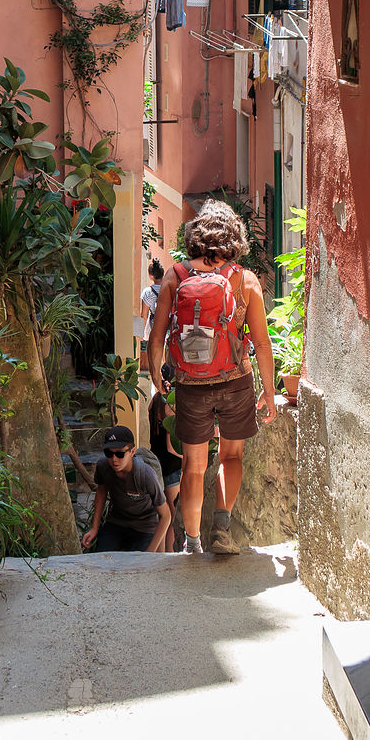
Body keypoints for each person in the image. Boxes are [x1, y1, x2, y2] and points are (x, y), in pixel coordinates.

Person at [147, 200, 276, 556]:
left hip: (191, 383)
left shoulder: (176, 274)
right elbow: (262, 345)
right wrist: (268, 391)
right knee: (231, 457)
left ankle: (192, 543)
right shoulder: (245, 279)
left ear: (196, 235)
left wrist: (158, 376)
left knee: (192, 466)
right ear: (234, 236)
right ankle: (221, 528)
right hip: (235, 380)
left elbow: (157, 336)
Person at [81, 425, 171, 553]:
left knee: (136, 565)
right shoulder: (103, 466)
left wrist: (150, 553)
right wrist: (94, 528)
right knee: (101, 559)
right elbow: (101, 490)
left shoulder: (145, 475)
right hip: (117, 523)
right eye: (109, 453)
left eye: (120, 454)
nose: (114, 459)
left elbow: (166, 515)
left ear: (132, 452)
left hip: (145, 527)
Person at [148, 378, 183, 552]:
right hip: (173, 470)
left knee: (164, 516)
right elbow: (171, 447)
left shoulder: (153, 409)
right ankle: (169, 554)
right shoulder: (169, 417)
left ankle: (163, 553)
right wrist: (189, 456)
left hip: (159, 467)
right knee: (171, 518)